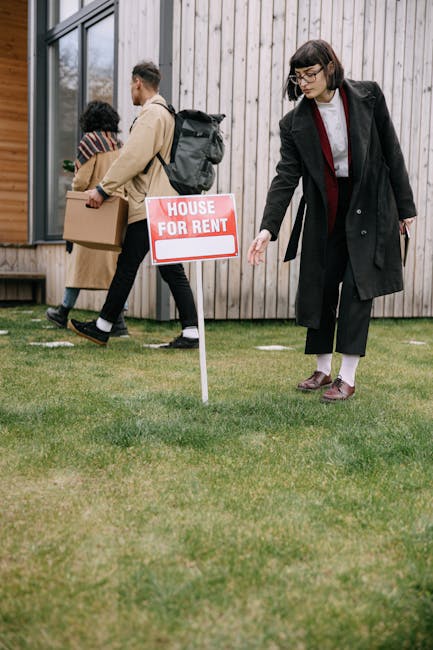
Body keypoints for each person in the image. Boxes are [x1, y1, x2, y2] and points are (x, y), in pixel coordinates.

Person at [248, 39, 416, 401]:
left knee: (358, 288)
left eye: (310, 74)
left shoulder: (368, 96)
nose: (304, 83)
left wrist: (404, 209)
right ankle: (323, 370)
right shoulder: (293, 123)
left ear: (329, 68)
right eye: (298, 77)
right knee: (320, 287)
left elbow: (391, 148)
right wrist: (267, 229)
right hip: (325, 212)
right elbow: (285, 177)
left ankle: (347, 376)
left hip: (368, 206)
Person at [68, 61, 199, 349]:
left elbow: (132, 157)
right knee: (170, 268)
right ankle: (191, 331)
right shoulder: (166, 114)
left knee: (127, 266)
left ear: (138, 82)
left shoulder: (152, 114)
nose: (131, 90)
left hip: (150, 202)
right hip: (163, 201)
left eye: (131, 85)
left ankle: (103, 326)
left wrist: (103, 188)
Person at [46, 100, 128, 336]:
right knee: (114, 269)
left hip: (92, 208)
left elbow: (81, 181)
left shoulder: (90, 142)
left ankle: (62, 312)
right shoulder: (119, 145)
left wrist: (75, 176)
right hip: (114, 212)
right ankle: (119, 320)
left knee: (79, 266)